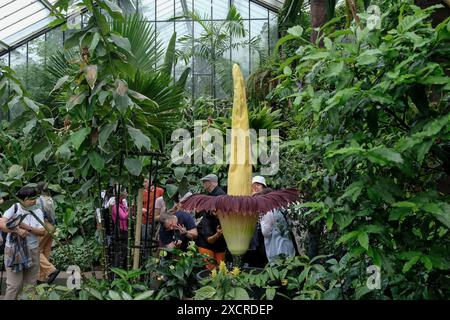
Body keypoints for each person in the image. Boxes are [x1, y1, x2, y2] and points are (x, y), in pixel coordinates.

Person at [0, 187, 46, 300]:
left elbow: (42, 231)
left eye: (34, 198)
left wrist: (26, 227)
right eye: (30, 199)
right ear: (21, 199)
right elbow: (2, 223)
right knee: (14, 285)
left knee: (30, 285)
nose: (33, 201)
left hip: (32, 250)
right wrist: (17, 230)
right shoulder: (14, 208)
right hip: (13, 251)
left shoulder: (38, 210)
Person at [196, 173, 227, 269]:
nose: (203, 184)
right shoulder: (211, 195)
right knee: (211, 270)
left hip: (217, 235)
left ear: (210, 182)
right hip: (208, 235)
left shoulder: (220, 195)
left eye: (204, 182)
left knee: (219, 269)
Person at [259, 188, 296, 263]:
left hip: (276, 251)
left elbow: (265, 232)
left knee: (279, 271)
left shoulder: (269, 213)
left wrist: (261, 220)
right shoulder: (281, 209)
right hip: (287, 246)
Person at [36, 182, 59, 284]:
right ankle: (42, 278)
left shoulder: (38, 200)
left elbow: (39, 215)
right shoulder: (49, 199)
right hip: (52, 226)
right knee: (45, 252)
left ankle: (51, 270)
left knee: (35, 250)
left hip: (44, 225)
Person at [246, 176, 269, 267]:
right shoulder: (249, 199)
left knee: (264, 254)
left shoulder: (268, 198)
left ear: (264, 187)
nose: (255, 187)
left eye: (258, 185)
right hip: (253, 231)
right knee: (254, 254)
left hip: (265, 231)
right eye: (253, 185)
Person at [110, 188, 129, 269]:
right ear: (121, 195)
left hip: (124, 230)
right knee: (120, 252)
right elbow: (123, 216)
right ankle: (117, 271)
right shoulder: (115, 206)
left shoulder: (122, 204)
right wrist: (131, 210)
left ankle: (122, 270)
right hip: (120, 231)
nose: (127, 193)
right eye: (125, 191)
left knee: (124, 251)